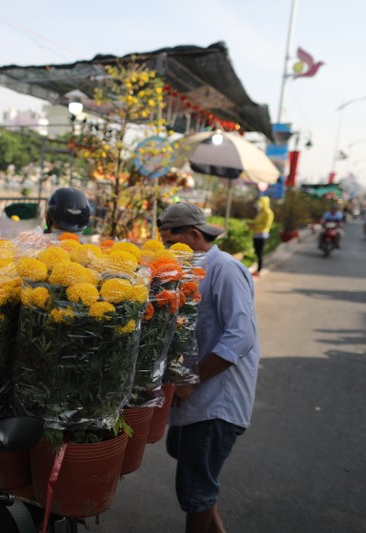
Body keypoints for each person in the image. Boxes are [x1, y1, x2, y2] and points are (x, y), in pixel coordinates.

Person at [156, 202, 260, 533]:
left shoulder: (224, 269)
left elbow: (241, 336)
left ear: (194, 235)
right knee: (189, 465)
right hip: (198, 399)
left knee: (195, 489)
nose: (168, 251)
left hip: (217, 402)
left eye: (171, 243)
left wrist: (190, 382)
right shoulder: (193, 270)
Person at [246, 196, 274, 276]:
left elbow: (266, 226)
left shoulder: (268, 213)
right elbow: (256, 222)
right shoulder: (261, 212)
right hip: (256, 235)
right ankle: (257, 268)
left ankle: (259, 269)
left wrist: (254, 228)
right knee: (256, 252)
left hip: (262, 235)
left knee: (259, 253)